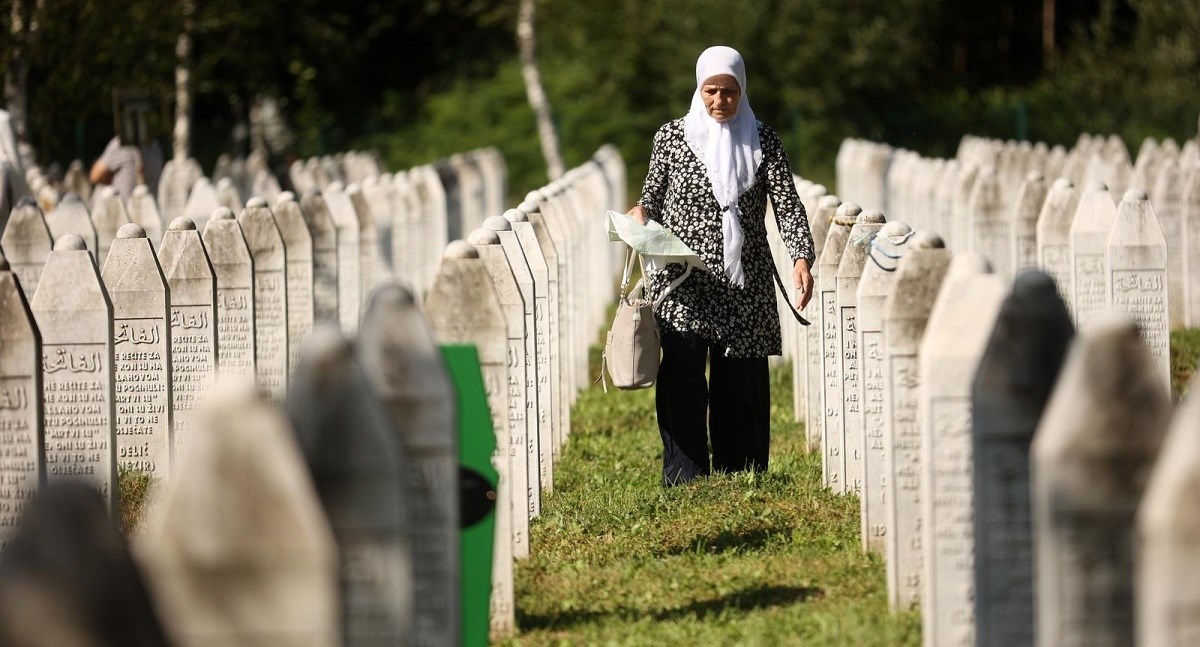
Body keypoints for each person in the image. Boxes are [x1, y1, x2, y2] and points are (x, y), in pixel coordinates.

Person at [627, 45, 816, 486]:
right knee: (682, 374)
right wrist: (639, 213)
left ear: (741, 91)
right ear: (699, 89)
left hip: (743, 282)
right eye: (711, 90)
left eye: (728, 92)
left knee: (740, 382)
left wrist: (801, 257)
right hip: (683, 280)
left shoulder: (763, 139)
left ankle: (740, 469)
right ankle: (685, 473)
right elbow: (652, 194)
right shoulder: (672, 137)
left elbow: (788, 206)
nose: (719, 101)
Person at [89, 136, 143, 200]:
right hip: (148, 206)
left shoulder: (120, 144)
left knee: (99, 189)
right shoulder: (154, 145)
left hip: (122, 205)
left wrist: (109, 175)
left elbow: (94, 176)